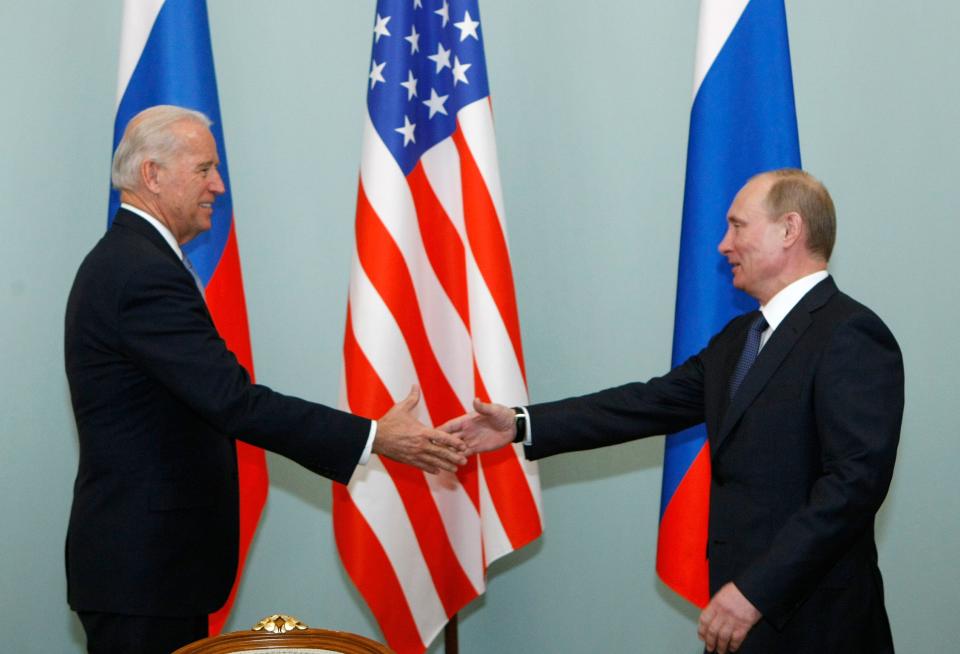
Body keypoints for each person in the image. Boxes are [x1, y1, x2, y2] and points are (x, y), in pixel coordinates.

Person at [442, 169, 904, 654]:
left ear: (790, 230)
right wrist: (520, 424)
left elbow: (853, 487)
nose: (723, 245)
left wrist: (757, 590)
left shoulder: (850, 334)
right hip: (740, 618)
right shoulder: (740, 338)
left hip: (816, 624)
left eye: (737, 226)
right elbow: (645, 403)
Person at [64, 105, 467, 654]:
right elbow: (233, 402)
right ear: (152, 174)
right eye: (205, 168)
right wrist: (374, 436)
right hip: (143, 571)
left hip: (153, 568)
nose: (219, 185)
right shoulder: (140, 272)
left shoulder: (136, 261)